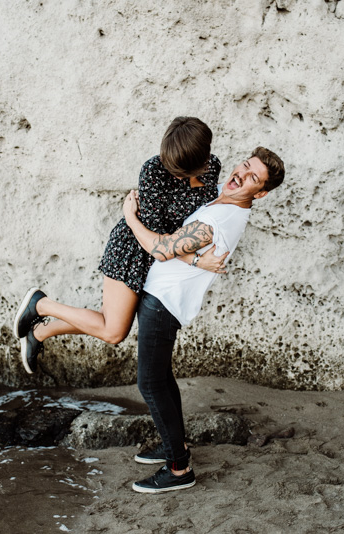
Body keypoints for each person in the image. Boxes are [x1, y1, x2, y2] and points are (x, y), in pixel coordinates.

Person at [124, 147, 285, 493]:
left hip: (164, 303)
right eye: (244, 165)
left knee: (150, 384)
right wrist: (197, 262)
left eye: (253, 177)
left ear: (261, 193)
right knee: (162, 380)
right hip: (164, 298)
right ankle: (175, 448)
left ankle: (179, 470)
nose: (241, 174)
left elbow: (163, 249)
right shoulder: (224, 204)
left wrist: (130, 217)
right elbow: (183, 252)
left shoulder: (223, 219)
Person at [13, 117, 228, 374]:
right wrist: (196, 260)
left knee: (108, 323)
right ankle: (41, 305)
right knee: (113, 331)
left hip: (162, 259)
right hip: (133, 250)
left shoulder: (212, 166)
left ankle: (41, 330)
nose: (172, 172)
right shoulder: (154, 171)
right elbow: (156, 241)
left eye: (179, 171)